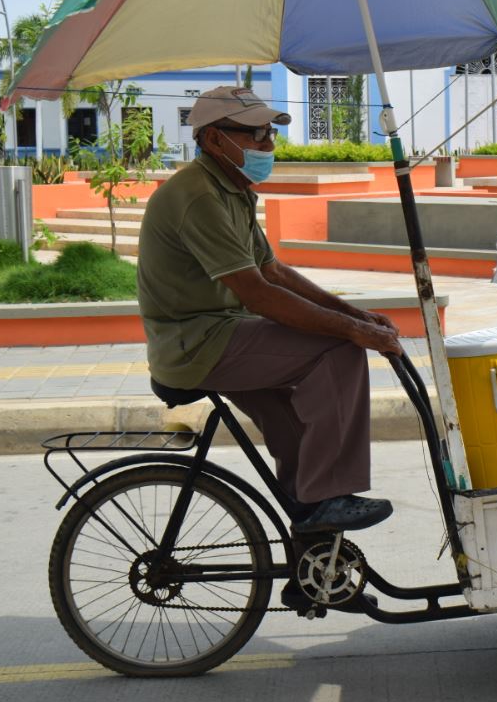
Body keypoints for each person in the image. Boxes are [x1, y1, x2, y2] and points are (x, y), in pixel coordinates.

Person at [137, 86, 399, 539]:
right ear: (215, 140)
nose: (268, 146)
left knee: (298, 439)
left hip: (218, 333)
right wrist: (352, 330)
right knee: (338, 351)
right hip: (199, 343)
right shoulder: (198, 196)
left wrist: (354, 313)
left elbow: (272, 270)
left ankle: (311, 568)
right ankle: (330, 495)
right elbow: (259, 294)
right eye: (257, 134)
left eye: (269, 135)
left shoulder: (230, 188)